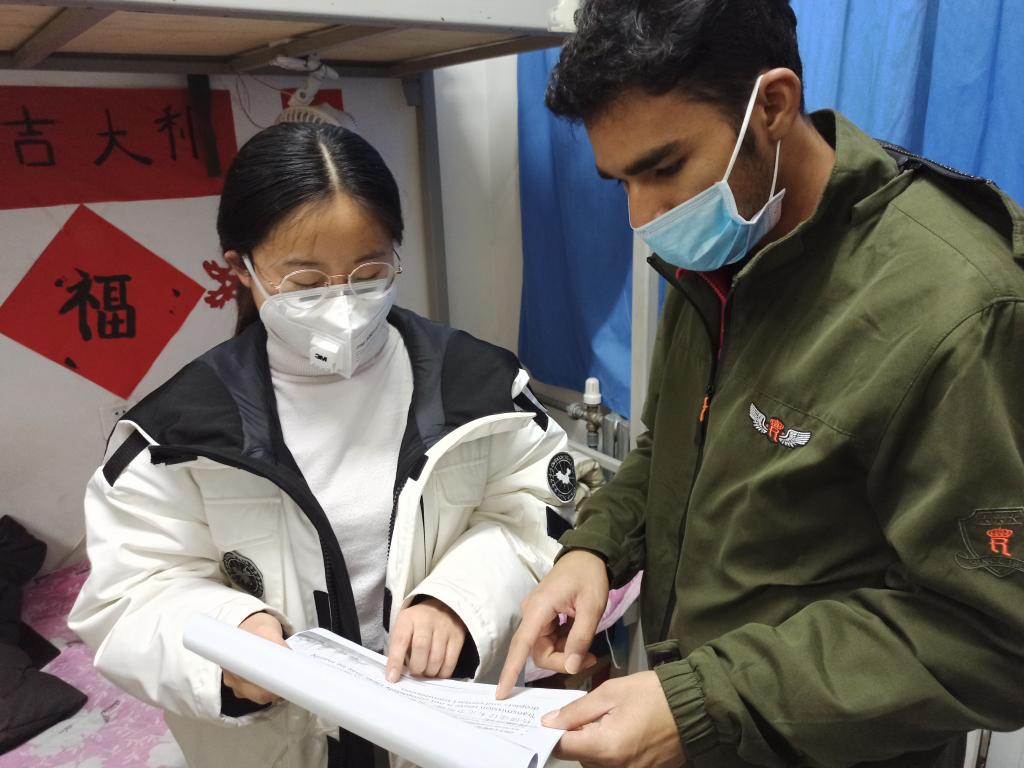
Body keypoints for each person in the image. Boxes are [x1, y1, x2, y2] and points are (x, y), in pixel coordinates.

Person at [497, 1, 1024, 766]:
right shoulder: (719, 248)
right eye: (620, 183)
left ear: (773, 105)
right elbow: (672, 451)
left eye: (664, 169)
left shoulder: (955, 307)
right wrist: (595, 553)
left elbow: (994, 635)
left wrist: (702, 702)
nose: (644, 216)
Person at [69, 121, 575, 768]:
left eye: (368, 271)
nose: (343, 302)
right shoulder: (173, 435)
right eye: (306, 282)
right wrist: (234, 641)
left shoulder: (481, 387)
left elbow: (536, 515)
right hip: (275, 743)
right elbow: (131, 594)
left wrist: (459, 601)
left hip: (442, 724)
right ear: (241, 270)